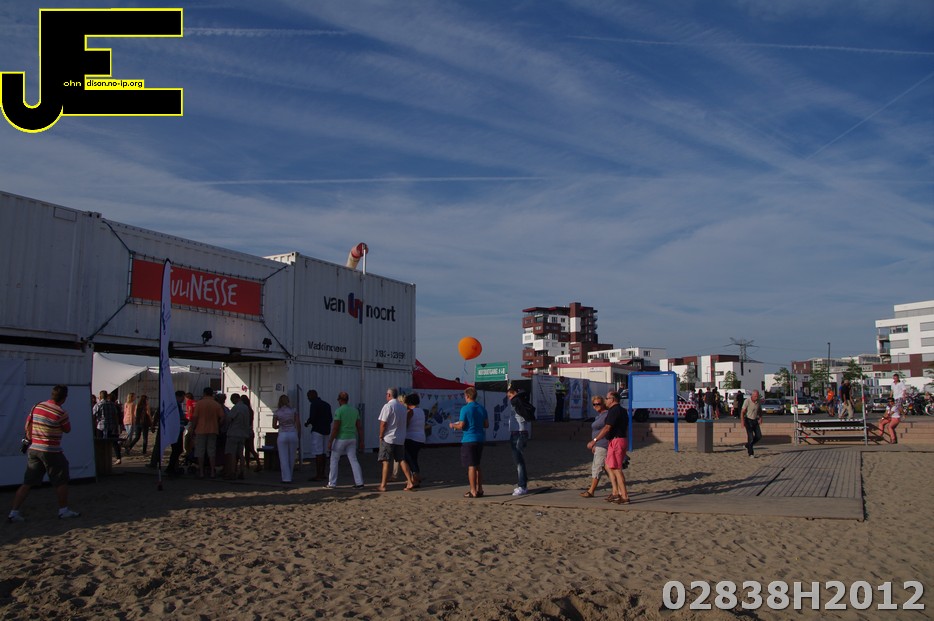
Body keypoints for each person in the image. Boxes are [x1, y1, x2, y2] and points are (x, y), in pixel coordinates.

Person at [8, 385, 80, 522]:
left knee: (27, 482)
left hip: (34, 448)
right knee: (61, 480)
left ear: (52, 394)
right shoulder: (61, 413)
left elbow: (27, 425)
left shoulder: (37, 406)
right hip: (51, 450)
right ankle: (63, 510)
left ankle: (13, 512)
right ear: (64, 398)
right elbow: (67, 429)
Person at [587, 391, 629, 504]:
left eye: (607, 398)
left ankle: (624, 496)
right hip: (617, 440)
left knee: (616, 468)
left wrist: (594, 440)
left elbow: (607, 428)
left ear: (613, 399)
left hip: (616, 440)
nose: (606, 400)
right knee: (609, 466)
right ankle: (616, 493)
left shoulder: (614, 410)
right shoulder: (622, 410)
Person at [450, 387, 489, 498]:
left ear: (467, 396)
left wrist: (453, 425)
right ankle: (480, 488)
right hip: (480, 438)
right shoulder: (482, 408)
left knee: (471, 466)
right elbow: (486, 425)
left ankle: (473, 490)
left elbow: (462, 425)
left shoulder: (465, 409)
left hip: (469, 439)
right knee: (477, 465)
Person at [377, 387, 414, 492]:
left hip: (389, 437)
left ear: (389, 395)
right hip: (400, 438)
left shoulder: (388, 406)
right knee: (401, 460)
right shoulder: (402, 407)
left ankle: (383, 485)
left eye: (386, 394)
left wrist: (381, 435)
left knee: (385, 461)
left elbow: (383, 423)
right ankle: (409, 481)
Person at [326, 391, 364, 489]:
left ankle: (332, 483)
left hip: (341, 438)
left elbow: (335, 428)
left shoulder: (339, 411)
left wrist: (330, 441)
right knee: (353, 460)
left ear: (340, 400)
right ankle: (359, 482)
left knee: (334, 460)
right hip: (352, 438)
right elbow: (359, 427)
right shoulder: (355, 411)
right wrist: (361, 441)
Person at [190, 387, 225, 479]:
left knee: (200, 451)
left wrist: (192, 428)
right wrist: (218, 425)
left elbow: (195, 417)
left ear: (204, 393)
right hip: (213, 430)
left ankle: (201, 472)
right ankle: (212, 471)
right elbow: (222, 417)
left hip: (200, 430)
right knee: (211, 451)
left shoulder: (199, 403)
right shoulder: (216, 404)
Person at [506, 387, 533, 496]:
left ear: (514, 394)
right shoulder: (517, 401)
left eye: (510, 396)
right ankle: (523, 482)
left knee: (519, 460)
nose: (509, 399)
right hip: (516, 432)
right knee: (518, 459)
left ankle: (522, 485)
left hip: (520, 433)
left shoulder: (517, 400)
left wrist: (516, 396)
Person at [580, 396, 609, 498]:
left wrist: (595, 441)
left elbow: (606, 429)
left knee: (597, 467)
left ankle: (591, 490)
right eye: (594, 404)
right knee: (607, 468)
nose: (596, 406)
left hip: (603, 443)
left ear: (603, 404)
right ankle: (617, 489)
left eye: (598, 404)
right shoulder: (599, 416)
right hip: (599, 444)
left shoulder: (606, 415)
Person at [304, 389, 333, 482]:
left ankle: (318, 474)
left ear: (311, 396)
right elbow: (330, 419)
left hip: (317, 430)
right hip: (326, 430)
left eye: (308, 397)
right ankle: (323, 473)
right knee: (324, 452)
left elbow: (312, 417)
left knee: (318, 452)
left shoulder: (314, 404)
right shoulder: (327, 404)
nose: (308, 399)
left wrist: (307, 423)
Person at [272, 394, 299, 483]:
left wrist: (280, 425)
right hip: (293, 433)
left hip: (283, 433)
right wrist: (299, 434)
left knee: (283, 457)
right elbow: (298, 423)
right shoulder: (293, 410)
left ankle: (286, 478)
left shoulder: (277, 412)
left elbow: (274, 426)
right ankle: (290, 475)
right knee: (292, 456)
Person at [224, 393, 252, 480]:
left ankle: (232, 472)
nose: (232, 402)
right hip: (243, 434)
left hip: (234, 433)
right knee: (241, 454)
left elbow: (229, 419)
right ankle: (242, 471)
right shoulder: (246, 408)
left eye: (232, 400)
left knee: (232, 453)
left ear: (235, 399)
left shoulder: (236, 408)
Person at [403, 393, 426, 488]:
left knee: (407, 458)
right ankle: (415, 479)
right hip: (421, 437)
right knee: (414, 457)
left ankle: (416, 474)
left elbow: (406, 425)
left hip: (411, 437)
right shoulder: (421, 411)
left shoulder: (410, 412)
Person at [97, 391, 124, 465]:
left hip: (101, 427)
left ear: (100, 396)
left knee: (101, 443)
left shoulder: (99, 404)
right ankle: (118, 458)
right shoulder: (113, 405)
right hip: (112, 426)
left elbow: (94, 415)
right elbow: (116, 416)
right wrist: (117, 426)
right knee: (114, 443)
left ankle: (102, 459)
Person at [741, 390, 764, 457]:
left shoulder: (758, 401)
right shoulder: (747, 401)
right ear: (752, 396)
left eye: (757, 396)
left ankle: (748, 445)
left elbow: (759, 410)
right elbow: (742, 412)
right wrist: (742, 421)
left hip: (755, 420)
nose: (756, 397)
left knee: (759, 436)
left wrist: (760, 418)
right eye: (755, 396)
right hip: (748, 420)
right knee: (750, 437)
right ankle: (751, 453)